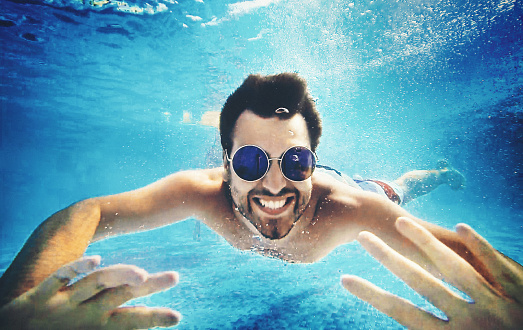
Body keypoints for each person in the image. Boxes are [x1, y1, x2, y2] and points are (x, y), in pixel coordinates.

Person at [0, 73, 520, 329]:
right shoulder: (201, 194)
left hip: (365, 188)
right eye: (250, 163)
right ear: (225, 164)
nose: (273, 186)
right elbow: (85, 213)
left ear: (314, 161)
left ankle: (436, 174)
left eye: (295, 163)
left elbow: (462, 254)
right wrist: (18, 308)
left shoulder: (349, 209)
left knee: (400, 187)